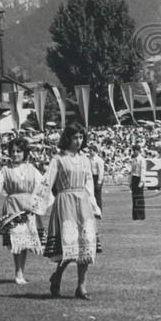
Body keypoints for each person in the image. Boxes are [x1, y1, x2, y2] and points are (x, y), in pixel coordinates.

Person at [0, 137, 46, 284]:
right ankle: (18, 273)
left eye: (19, 151)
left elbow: (44, 187)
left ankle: (21, 272)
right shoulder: (5, 171)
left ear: (25, 153)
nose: (15, 154)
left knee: (25, 242)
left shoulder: (32, 169)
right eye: (12, 151)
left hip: (28, 208)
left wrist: (43, 204)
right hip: (13, 207)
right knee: (16, 239)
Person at [43, 123, 102, 300]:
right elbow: (47, 182)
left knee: (86, 246)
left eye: (81, 137)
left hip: (82, 202)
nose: (78, 141)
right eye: (75, 137)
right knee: (69, 246)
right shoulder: (58, 159)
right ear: (67, 138)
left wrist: (94, 205)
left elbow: (89, 184)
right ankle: (58, 275)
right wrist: (37, 205)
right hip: (65, 201)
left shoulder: (85, 160)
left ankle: (81, 287)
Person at [129, 145, 147, 220]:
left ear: (138, 150)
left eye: (135, 150)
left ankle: (141, 215)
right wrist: (130, 182)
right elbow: (132, 171)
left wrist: (142, 181)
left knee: (139, 197)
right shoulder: (133, 159)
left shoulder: (141, 159)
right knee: (134, 197)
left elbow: (143, 171)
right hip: (134, 178)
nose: (134, 152)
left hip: (139, 178)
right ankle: (135, 215)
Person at [87, 145, 105, 211]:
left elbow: (101, 171)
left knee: (97, 194)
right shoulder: (89, 159)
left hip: (96, 177)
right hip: (91, 177)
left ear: (95, 151)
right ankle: (93, 209)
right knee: (91, 194)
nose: (90, 152)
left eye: (91, 151)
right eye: (89, 150)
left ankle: (99, 209)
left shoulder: (98, 160)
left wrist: (99, 182)